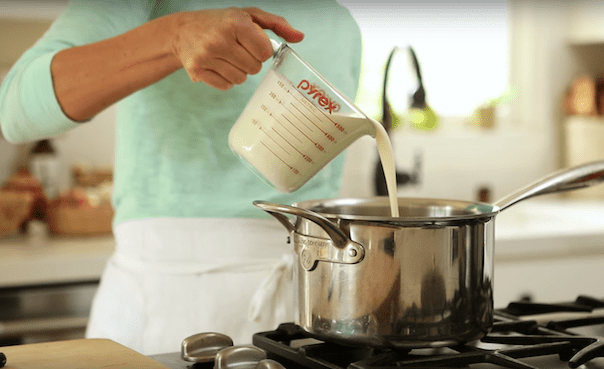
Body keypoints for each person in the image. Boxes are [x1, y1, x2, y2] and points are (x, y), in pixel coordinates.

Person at [0, 1, 362, 355]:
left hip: (304, 309)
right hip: (167, 303)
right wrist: (174, 36)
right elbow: (16, 110)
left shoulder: (341, 23)